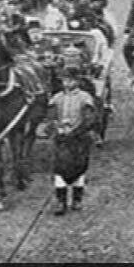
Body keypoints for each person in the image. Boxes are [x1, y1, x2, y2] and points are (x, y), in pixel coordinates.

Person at [46, 65, 96, 215]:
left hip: (79, 139)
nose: (67, 83)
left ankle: (77, 199)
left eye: (70, 80)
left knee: (79, 168)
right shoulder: (57, 98)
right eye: (65, 80)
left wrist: (75, 131)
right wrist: (57, 128)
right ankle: (61, 202)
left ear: (77, 81)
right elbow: (51, 117)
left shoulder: (85, 98)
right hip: (61, 139)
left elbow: (89, 119)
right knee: (59, 169)